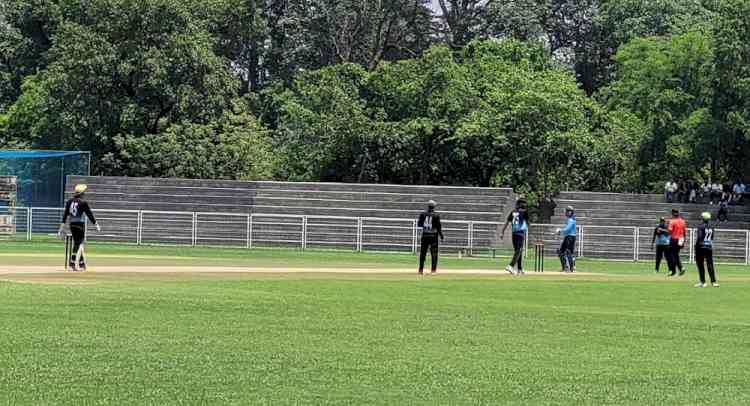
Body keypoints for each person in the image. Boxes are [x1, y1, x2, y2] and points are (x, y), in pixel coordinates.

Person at [58, 184, 101, 271]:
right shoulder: (83, 202)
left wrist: (61, 228)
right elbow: (89, 214)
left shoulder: (69, 201)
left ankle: (82, 263)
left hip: (72, 224)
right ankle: (72, 262)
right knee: (79, 243)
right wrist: (96, 224)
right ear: (81, 193)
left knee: (78, 243)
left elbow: (65, 215)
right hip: (80, 224)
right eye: (84, 192)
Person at [501, 198, 530, 275]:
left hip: (514, 234)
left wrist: (502, 232)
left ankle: (520, 269)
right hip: (520, 233)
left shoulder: (513, 212)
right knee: (519, 250)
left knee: (518, 251)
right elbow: (527, 223)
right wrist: (527, 227)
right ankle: (511, 265)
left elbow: (507, 222)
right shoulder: (525, 212)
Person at [417, 200, 444, 275]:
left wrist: (425, 225)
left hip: (425, 235)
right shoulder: (436, 215)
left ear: (428, 206)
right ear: (434, 207)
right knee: (434, 253)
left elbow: (419, 224)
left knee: (423, 253)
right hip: (433, 236)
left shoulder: (423, 214)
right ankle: (433, 270)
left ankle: (420, 270)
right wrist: (441, 236)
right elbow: (439, 227)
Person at [694, 212, 719, 288]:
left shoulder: (700, 226)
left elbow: (699, 237)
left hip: (701, 247)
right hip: (709, 247)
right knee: (710, 264)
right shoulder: (711, 227)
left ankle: (703, 282)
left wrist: (696, 246)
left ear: (703, 218)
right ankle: (714, 282)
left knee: (700, 265)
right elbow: (712, 237)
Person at [556, 206, 577, 273]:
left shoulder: (571, 220)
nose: (565, 213)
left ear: (570, 212)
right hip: (568, 237)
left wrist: (560, 230)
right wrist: (561, 232)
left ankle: (571, 269)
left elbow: (568, 229)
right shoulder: (570, 219)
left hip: (570, 237)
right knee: (561, 252)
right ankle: (565, 267)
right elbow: (567, 230)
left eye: (566, 211)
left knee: (568, 252)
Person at [667, 208, 687, 277]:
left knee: (671, 255)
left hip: (674, 239)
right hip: (681, 239)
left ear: (673, 214)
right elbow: (684, 232)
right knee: (675, 254)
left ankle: (680, 268)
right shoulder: (683, 221)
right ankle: (675, 270)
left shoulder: (672, 221)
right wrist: (684, 241)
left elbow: (669, 231)